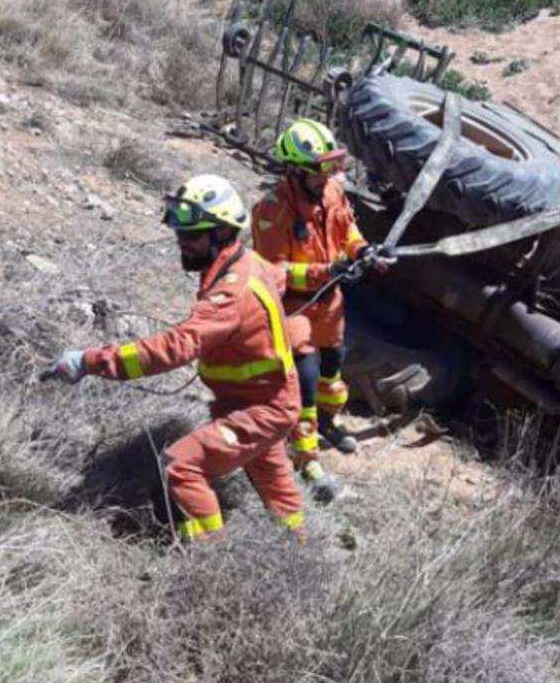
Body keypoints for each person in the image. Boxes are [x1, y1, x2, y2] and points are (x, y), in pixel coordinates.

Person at [43, 173, 304, 541]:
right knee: (276, 488)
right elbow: (280, 275)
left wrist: (91, 361)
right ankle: (298, 548)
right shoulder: (247, 262)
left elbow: (174, 348)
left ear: (221, 233)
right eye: (180, 233)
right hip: (259, 400)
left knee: (180, 467)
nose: (182, 243)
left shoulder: (229, 295)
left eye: (192, 235)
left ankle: (210, 562)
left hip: (262, 408)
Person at [251, 118, 387, 496]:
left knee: (331, 374)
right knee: (306, 385)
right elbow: (271, 272)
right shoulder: (272, 209)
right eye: (318, 170)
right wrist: (322, 270)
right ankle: (307, 461)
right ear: (293, 170)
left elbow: (348, 231)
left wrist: (363, 251)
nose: (326, 177)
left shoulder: (332, 192)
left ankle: (328, 423)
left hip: (330, 307)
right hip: (295, 312)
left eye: (332, 167)